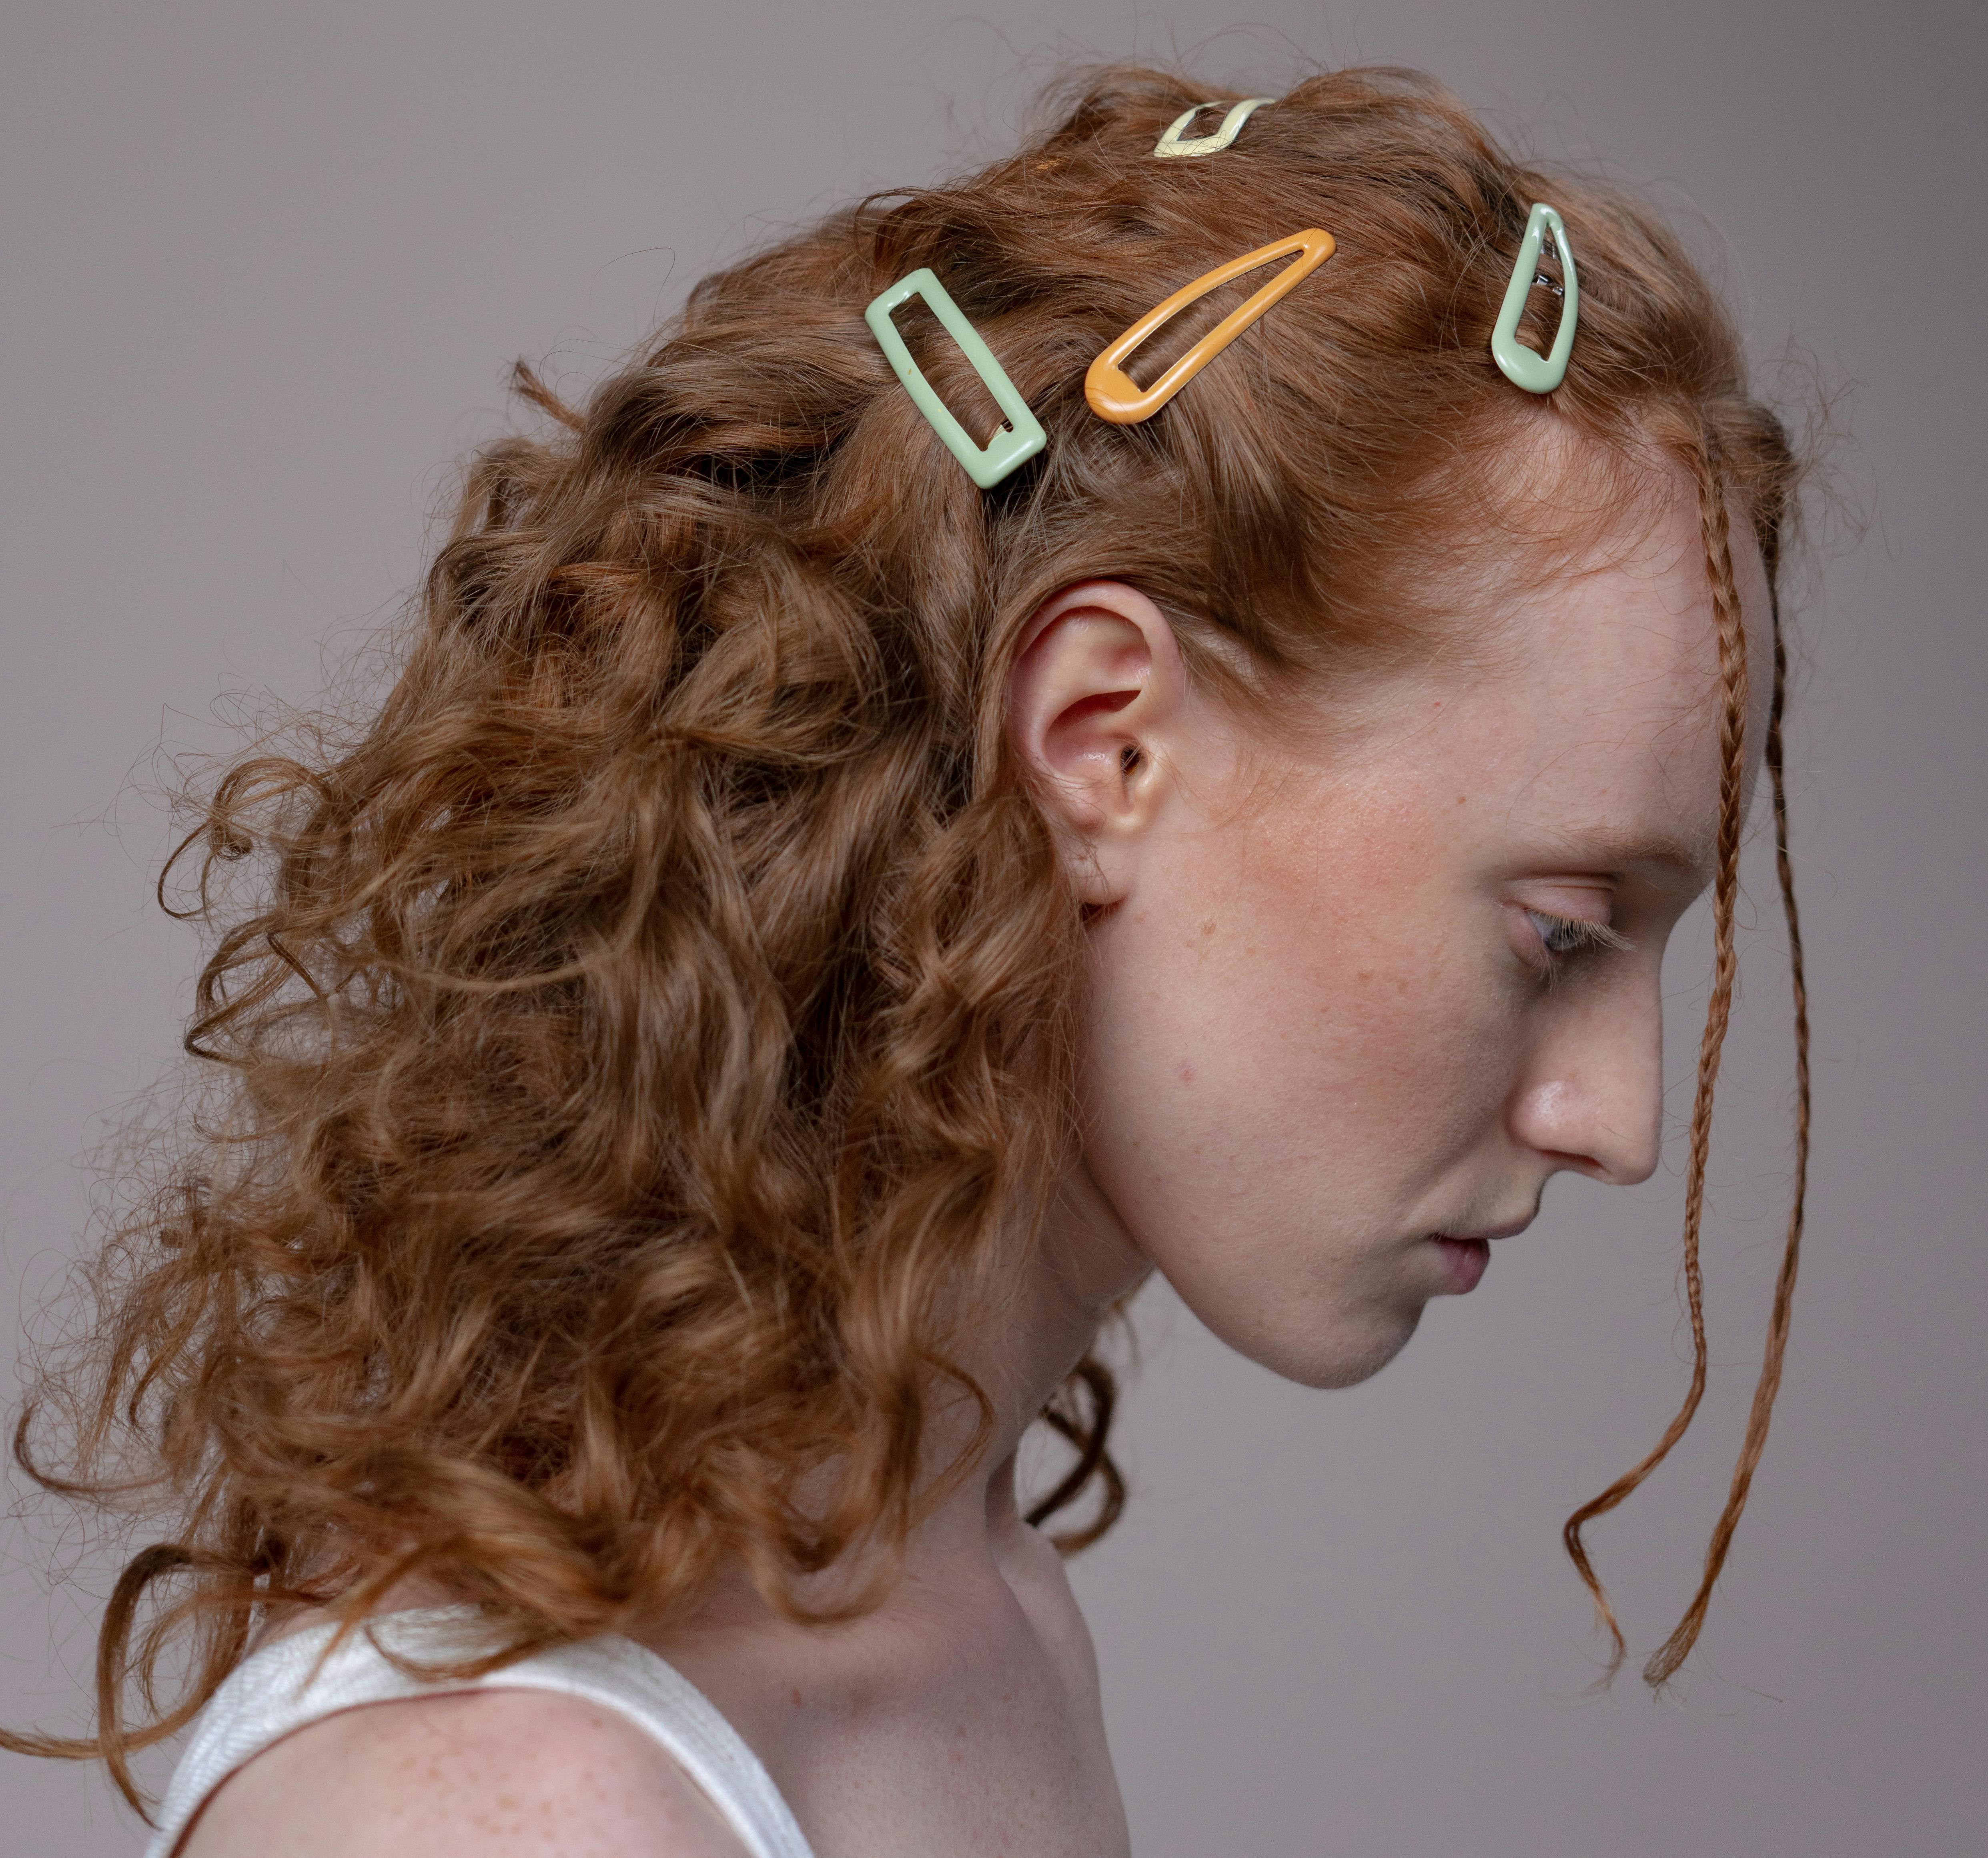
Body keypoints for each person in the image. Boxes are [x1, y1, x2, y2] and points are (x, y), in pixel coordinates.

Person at [5, 63, 1810, 1858]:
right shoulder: (515, 1816)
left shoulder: (981, 1606)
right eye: (1560, 933)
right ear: (1103, 744)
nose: (1620, 1118)